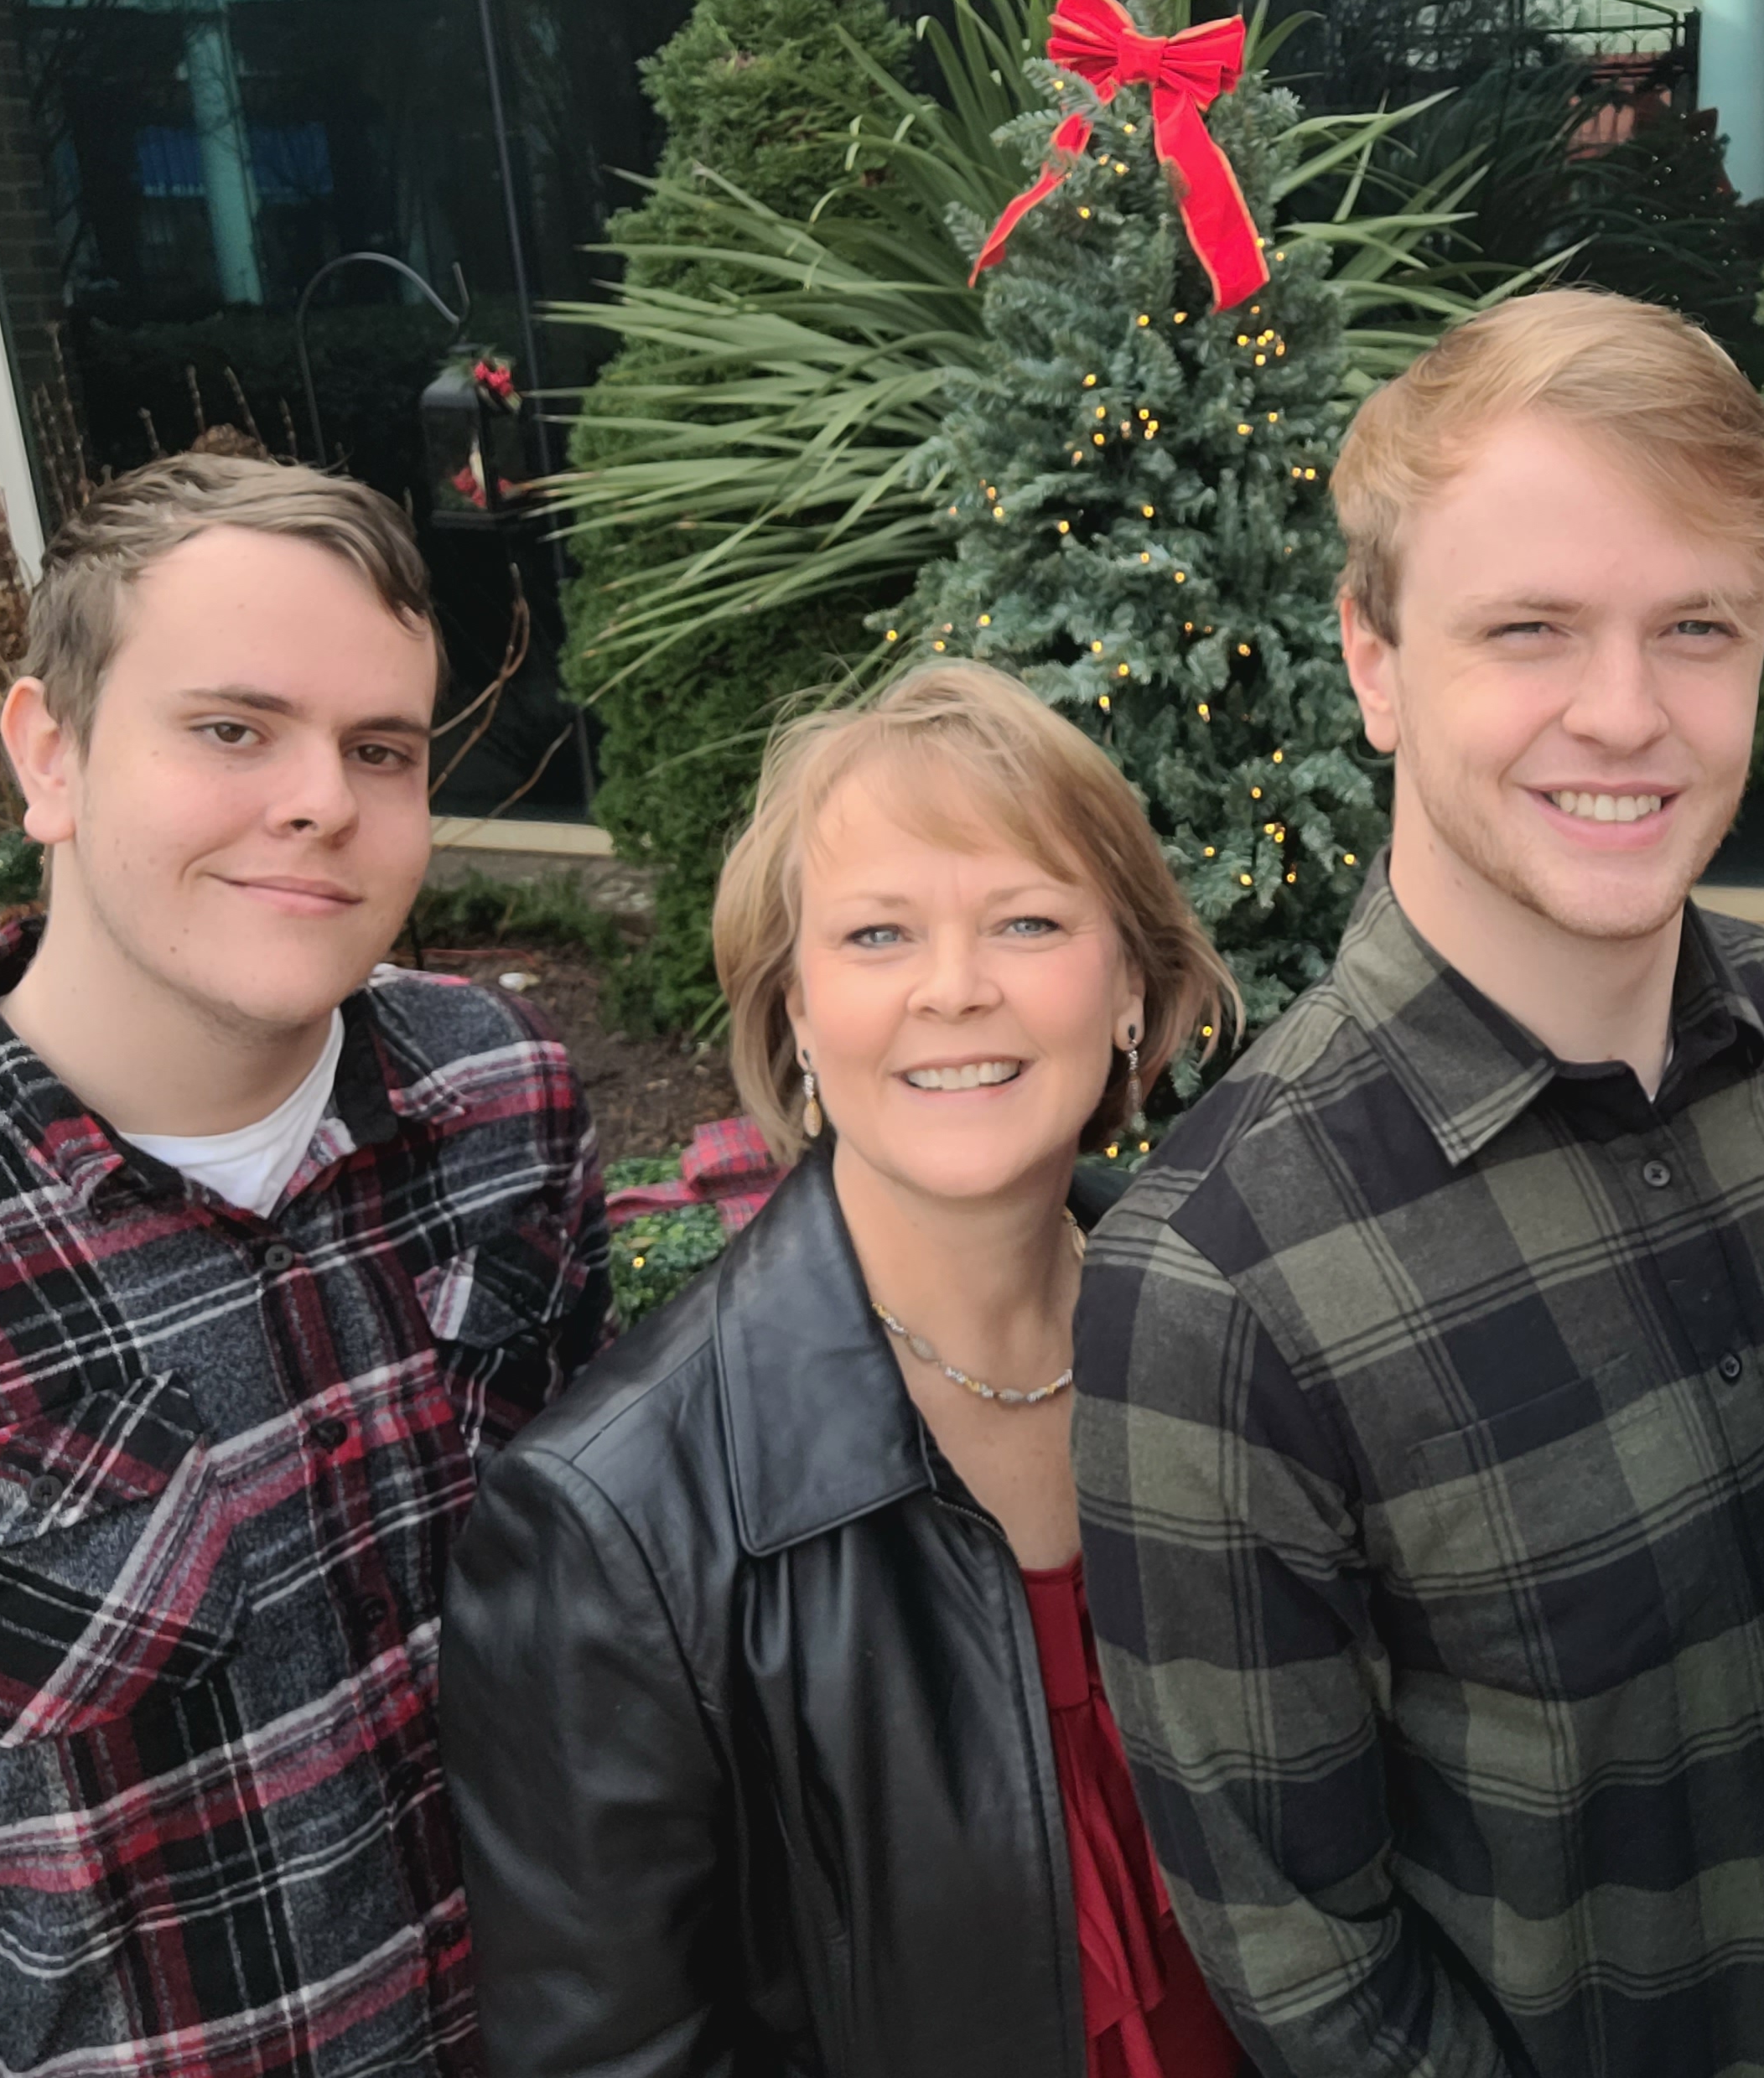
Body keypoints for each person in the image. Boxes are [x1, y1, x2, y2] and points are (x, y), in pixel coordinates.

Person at [1076, 288, 1764, 2077]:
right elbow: (1318, 1982)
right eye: (1529, 629)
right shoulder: (1222, 1285)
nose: (1624, 714)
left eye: (1697, 627)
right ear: (1375, 661)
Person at [0, 451, 610, 2074]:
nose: (322, 799)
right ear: (49, 754)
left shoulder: (502, 1103)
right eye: (232, 729)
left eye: (380, 748)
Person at [442, 661, 1249, 2078]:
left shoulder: (1238, 1339)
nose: (956, 988)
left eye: (1028, 920)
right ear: (798, 1011)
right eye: (878, 934)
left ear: (1130, 984)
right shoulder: (614, 1526)